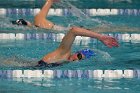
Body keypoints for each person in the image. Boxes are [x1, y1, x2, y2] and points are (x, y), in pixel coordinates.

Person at [36, 26, 119, 68]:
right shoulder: (63, 53)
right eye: (78, 55)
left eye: (80, 59)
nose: (76, 58)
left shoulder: (66, 62)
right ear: (76, 53)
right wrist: (100, 37)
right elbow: (74, 30)